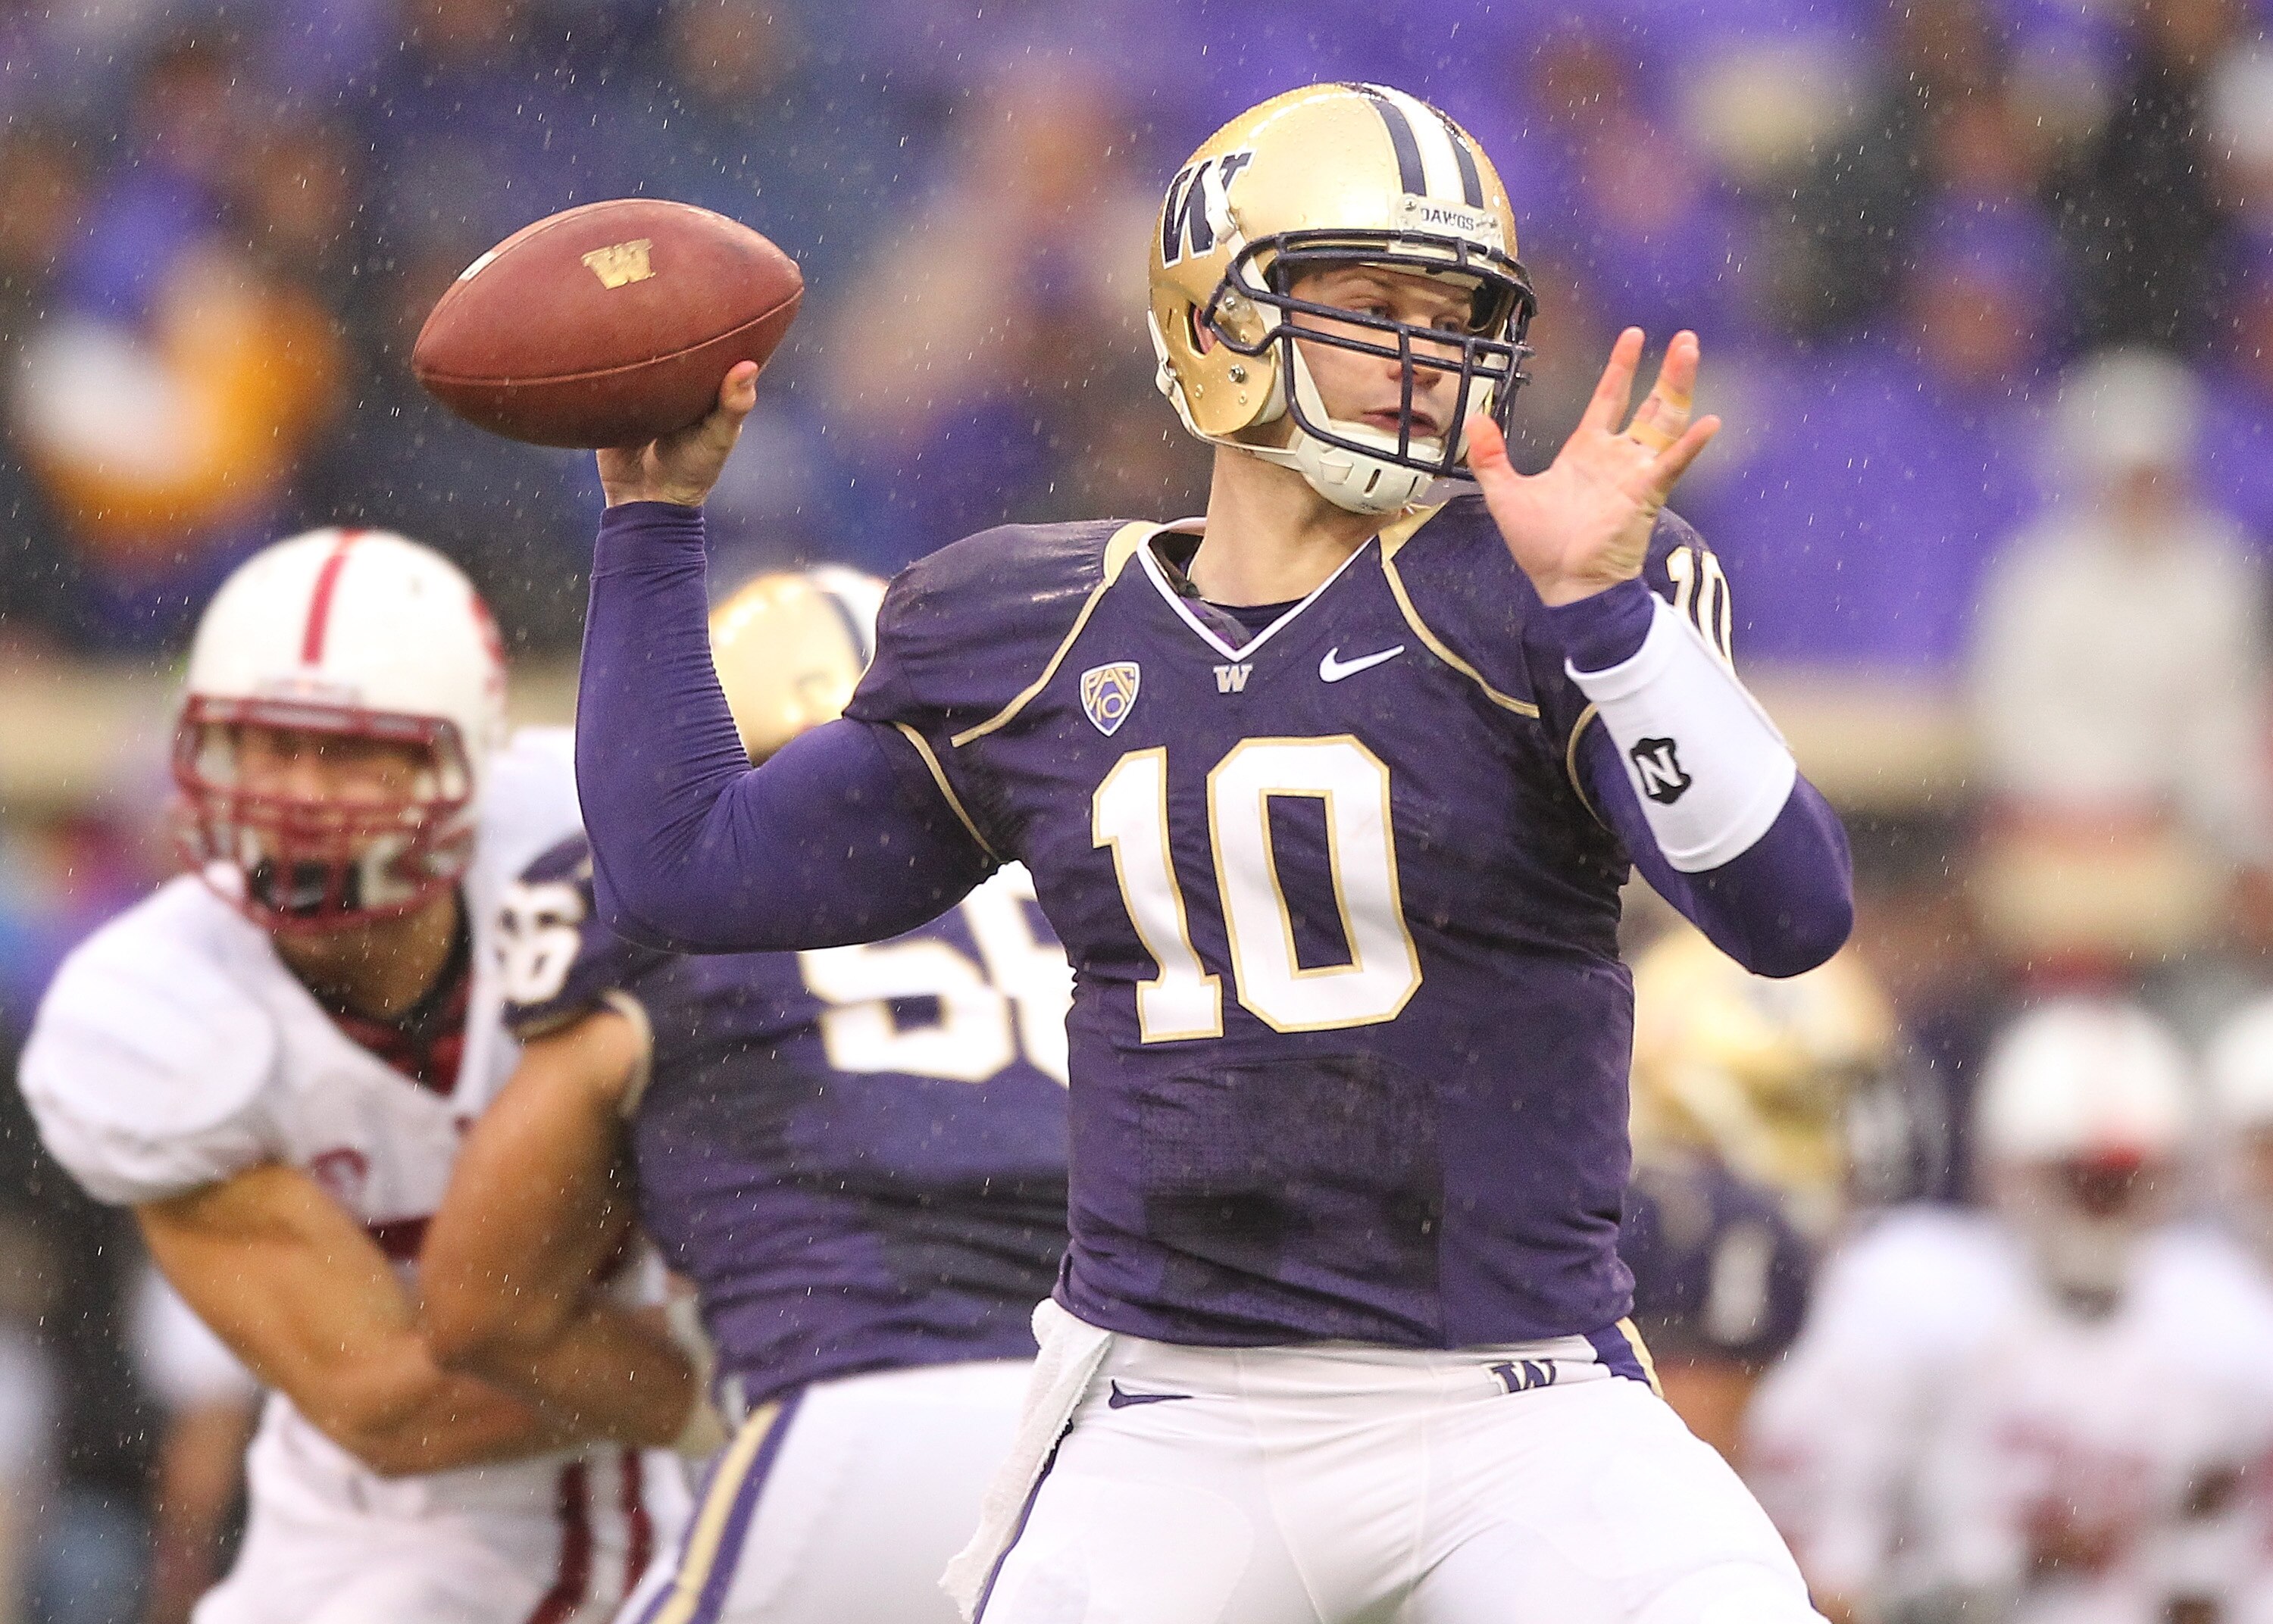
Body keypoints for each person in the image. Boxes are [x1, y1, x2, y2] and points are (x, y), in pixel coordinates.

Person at [574, 82, 1853, 1624]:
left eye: (1455, 310)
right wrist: (651, 526)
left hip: (1521, 1399)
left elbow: (1789, 912)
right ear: (1220, 312)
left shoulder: (1536, 586)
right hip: (1173, 1414)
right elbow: (696, 868)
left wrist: (1609, 620)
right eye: (1370, 302)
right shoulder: (1033, 631)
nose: (1419, 352)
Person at [16, 528, 696, 1624]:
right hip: (398, 1520)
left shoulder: (597, 851)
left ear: (466, 763)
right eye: (263, 746)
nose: (297, 794)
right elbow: (388, 1408)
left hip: (709, 1482)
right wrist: (724, 1383)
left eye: (348, 752)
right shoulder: (145, 1015)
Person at [418, 567, 1074, 1624]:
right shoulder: (1095, 891)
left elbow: (480, 1305)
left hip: (861, 1416)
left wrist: (700, 1405)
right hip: (1141, 1442)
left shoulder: (650, 901)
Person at [1747, 1001, 2273, 1624]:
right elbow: (1822, 1568)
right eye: (2078, 1181)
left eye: (2121, 1183)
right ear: (2009, 1169)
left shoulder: (2223, 1320)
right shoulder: (1918, 1299)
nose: (2098, 1211)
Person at [1618, 926, 1903, 1460]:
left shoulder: (1911, 1286)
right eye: (1796, 1107)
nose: (1843, 1143)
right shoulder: (1692, 1258)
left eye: (1836, 1103)